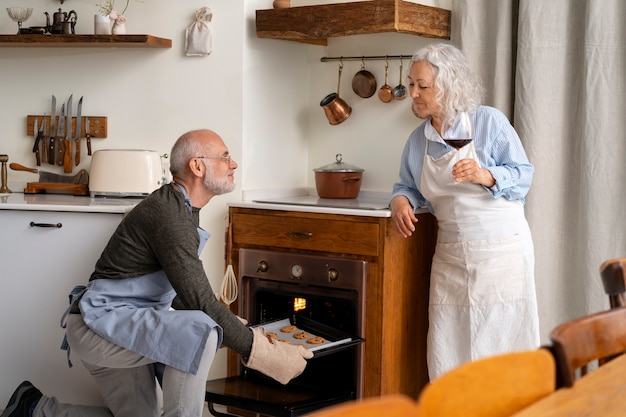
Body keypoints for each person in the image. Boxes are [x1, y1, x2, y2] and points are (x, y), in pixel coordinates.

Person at [1, 129, 313, 417]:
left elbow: (177, 298)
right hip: (101, 326)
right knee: (202, 330)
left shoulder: (183, 210)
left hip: (123, 323)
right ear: (198, 166)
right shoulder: (170, 216)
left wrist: (240, 331)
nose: (233, 164)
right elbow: (200, 303)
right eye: (224, 156)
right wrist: (266, 355)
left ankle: (34, 409)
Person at [390, 43, 540, 379]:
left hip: (500, 252)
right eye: (411, 83)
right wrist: (400, 201)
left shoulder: (488, 122)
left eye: (422, 86)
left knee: (502, 347)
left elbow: (523, 175)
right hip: (451, 255)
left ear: (449, 84)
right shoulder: (418, 140)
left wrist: (486, 175)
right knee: (449, 346)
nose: (412, 93)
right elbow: (406, 186)